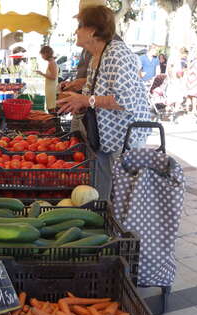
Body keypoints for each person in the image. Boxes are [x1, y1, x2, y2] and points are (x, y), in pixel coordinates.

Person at [57, 5, 150, 199]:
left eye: (79, 26)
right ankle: (105, 218)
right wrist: (79, 90)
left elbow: (126, 100)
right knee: (104, 189)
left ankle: (120, 227)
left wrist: (85, 99)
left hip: (125, 138)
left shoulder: (117, 54)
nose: (76, 31)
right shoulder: (98, 55)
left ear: (92, 31)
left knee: (122, 195)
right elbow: (102, 85)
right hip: (107, 136)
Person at [35, 46, 58, 113]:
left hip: (52, 89)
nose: (42, 56)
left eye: (42, 54)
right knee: (50, 107)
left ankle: (53, 122)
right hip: (50, 88)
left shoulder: (52, 63)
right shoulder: (51, 62)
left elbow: (53, 77)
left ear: (46, 53)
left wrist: (42, 73)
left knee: (51, 108)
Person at [184, 51, 197, 116]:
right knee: (194, 96)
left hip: (191, 80)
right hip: (194, 80)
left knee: (189, 95)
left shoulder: (193, 62)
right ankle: (193, 109)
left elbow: (188, 70)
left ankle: (188, 109)